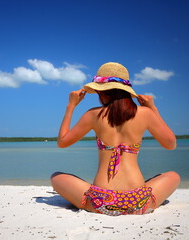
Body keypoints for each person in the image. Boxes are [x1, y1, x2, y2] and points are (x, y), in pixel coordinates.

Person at [50, 62, 180, 216]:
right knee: (173, 176)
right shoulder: (145, 113)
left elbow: (62, 142)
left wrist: (71, 106)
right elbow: (171, 144)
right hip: (138, 202)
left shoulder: (94, 114)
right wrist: (153, 109)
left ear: (103, 92)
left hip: (100, 202)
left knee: (56, 177)